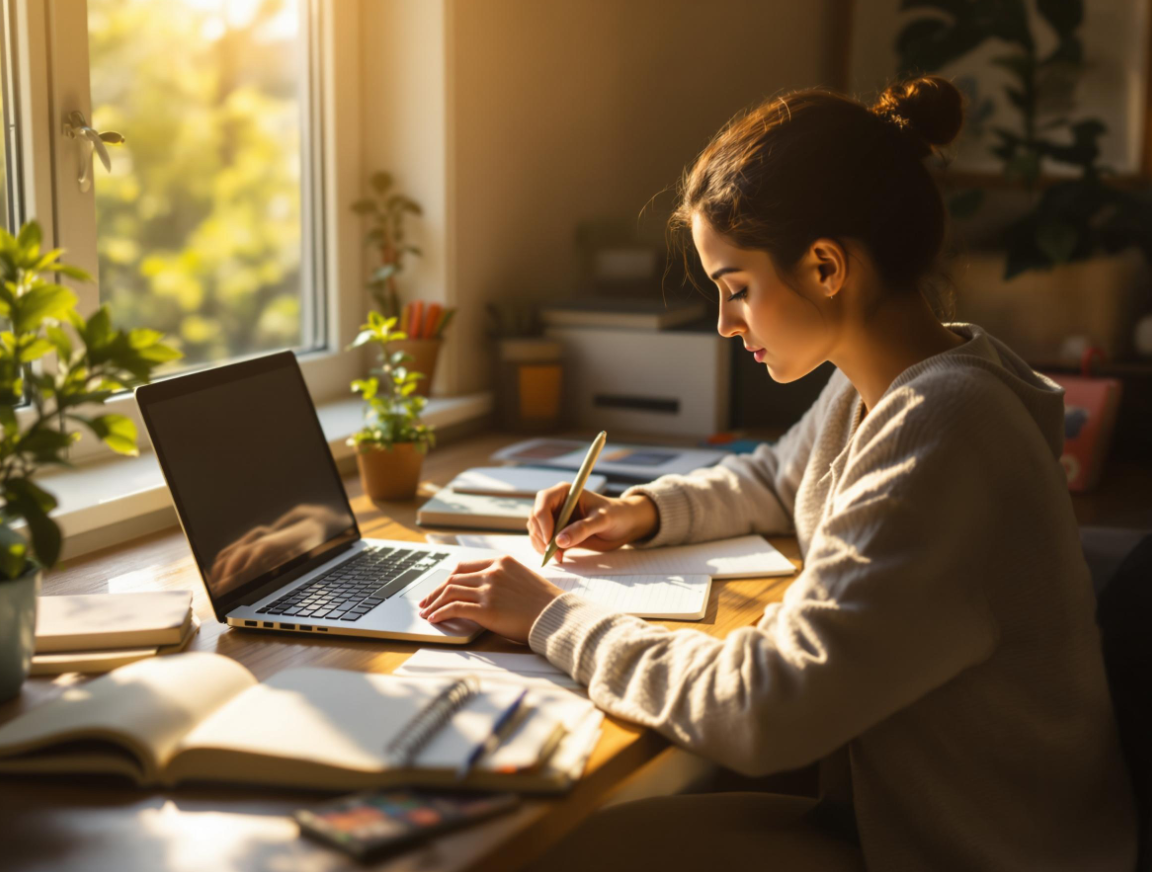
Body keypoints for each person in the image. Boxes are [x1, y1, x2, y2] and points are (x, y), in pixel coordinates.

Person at [418, 76, 1137, 870]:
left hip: (971, 852)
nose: (726, 323)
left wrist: (552, 618)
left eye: (737, 290)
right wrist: (641, 512)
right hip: (893, 819)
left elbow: (765, 708)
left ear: (826, 266)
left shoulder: (948, 427)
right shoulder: (889, 379)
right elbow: (778, 478)